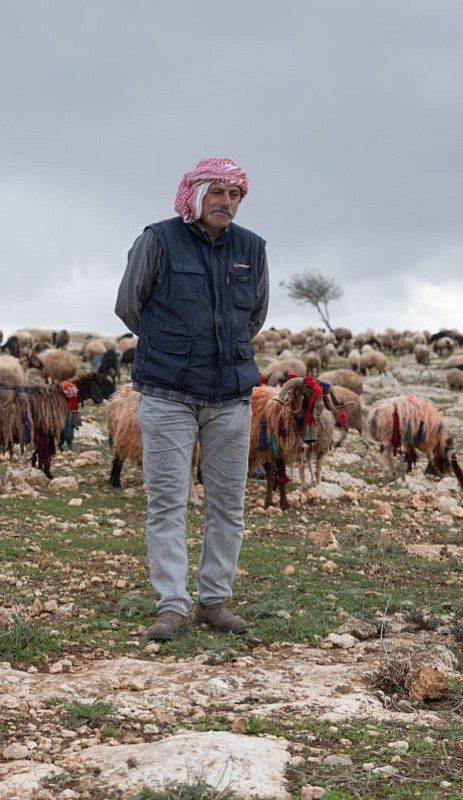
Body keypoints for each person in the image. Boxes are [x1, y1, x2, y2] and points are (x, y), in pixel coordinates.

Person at [115, 157, 269, 641]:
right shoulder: (158, 240)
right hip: (167, 394)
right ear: (197, 193)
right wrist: (169, 347)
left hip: (230, 395)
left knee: (228, 503)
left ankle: (215, 601)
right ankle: (172, 606)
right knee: (167, 502)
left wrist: (224, 351)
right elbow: (129, 304)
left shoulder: (253, 249)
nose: (227, 202)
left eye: (235, 195)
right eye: (218, 193)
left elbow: (255, 315)